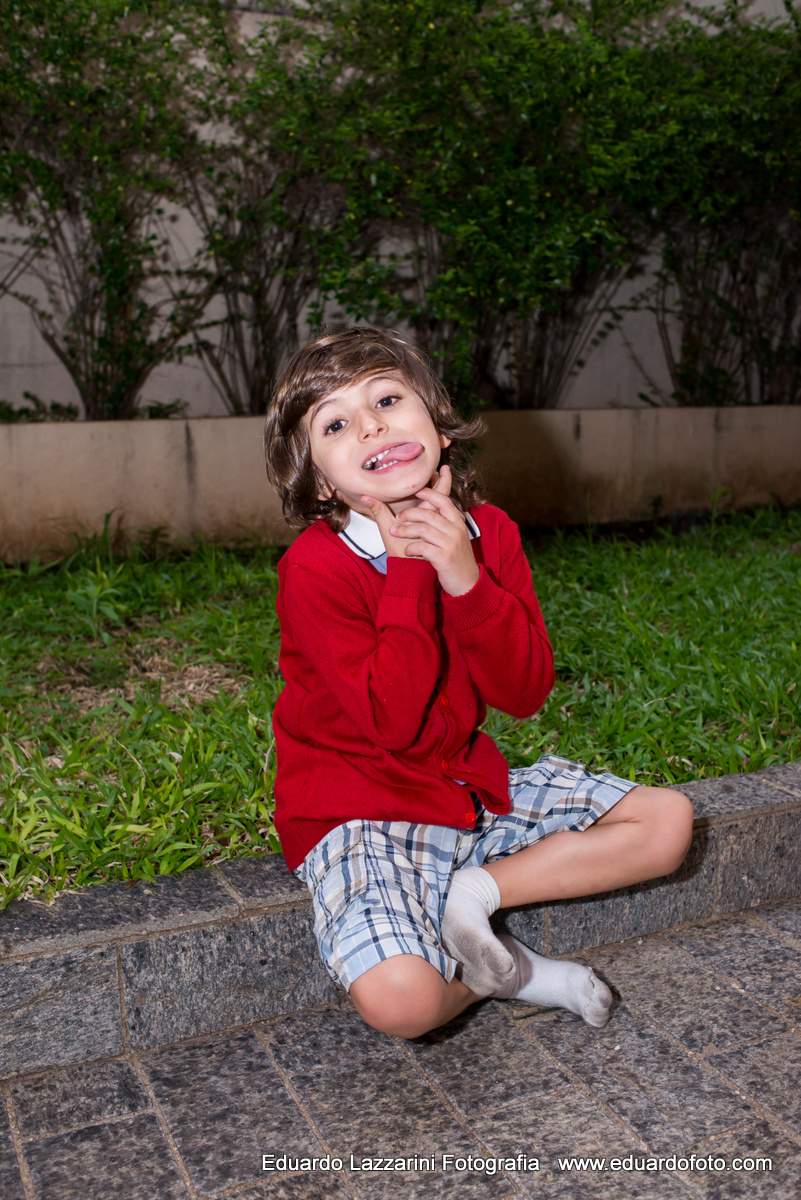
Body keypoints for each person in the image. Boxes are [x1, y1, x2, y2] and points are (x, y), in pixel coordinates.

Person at [263, 326, 693, 1039]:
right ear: (320, 481)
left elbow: (523, 692)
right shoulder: (316, 568)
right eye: (336, 423)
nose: (371, 423)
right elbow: (392, 724)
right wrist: (408, 572)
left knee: (667, 821)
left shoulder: (486, 532)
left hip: (461, 788)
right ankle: (505, 974)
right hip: (356, 808)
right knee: (401, 1005)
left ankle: (476, 894)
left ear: (436, 425)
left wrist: (464, 578)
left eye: (388, 399)